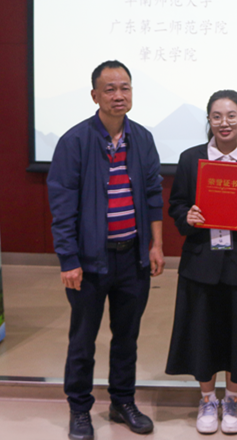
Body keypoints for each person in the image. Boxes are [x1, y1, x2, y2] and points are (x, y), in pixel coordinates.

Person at [47, 60, 165, 439]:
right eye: (110, 89)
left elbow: (153, 195)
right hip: (89, 262)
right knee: (83, 340)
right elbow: (62, 208)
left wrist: (156, 245)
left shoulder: (142, 138)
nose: (118, 95)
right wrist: (68, 260)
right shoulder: (75, 142)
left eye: (125, 88)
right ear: (95, 95)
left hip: (133, 257)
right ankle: (79, 409)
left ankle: (122, 401)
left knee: (126, 337)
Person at [166, 90, 237, 435]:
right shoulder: (191, 160)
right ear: (208, 120)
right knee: (201, 332)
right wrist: (187, 216)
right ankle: (207, 399)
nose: (224, 123)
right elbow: (176, 205)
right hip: (201, 261)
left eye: (231, 115)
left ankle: (232, 399)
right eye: (216, 116)